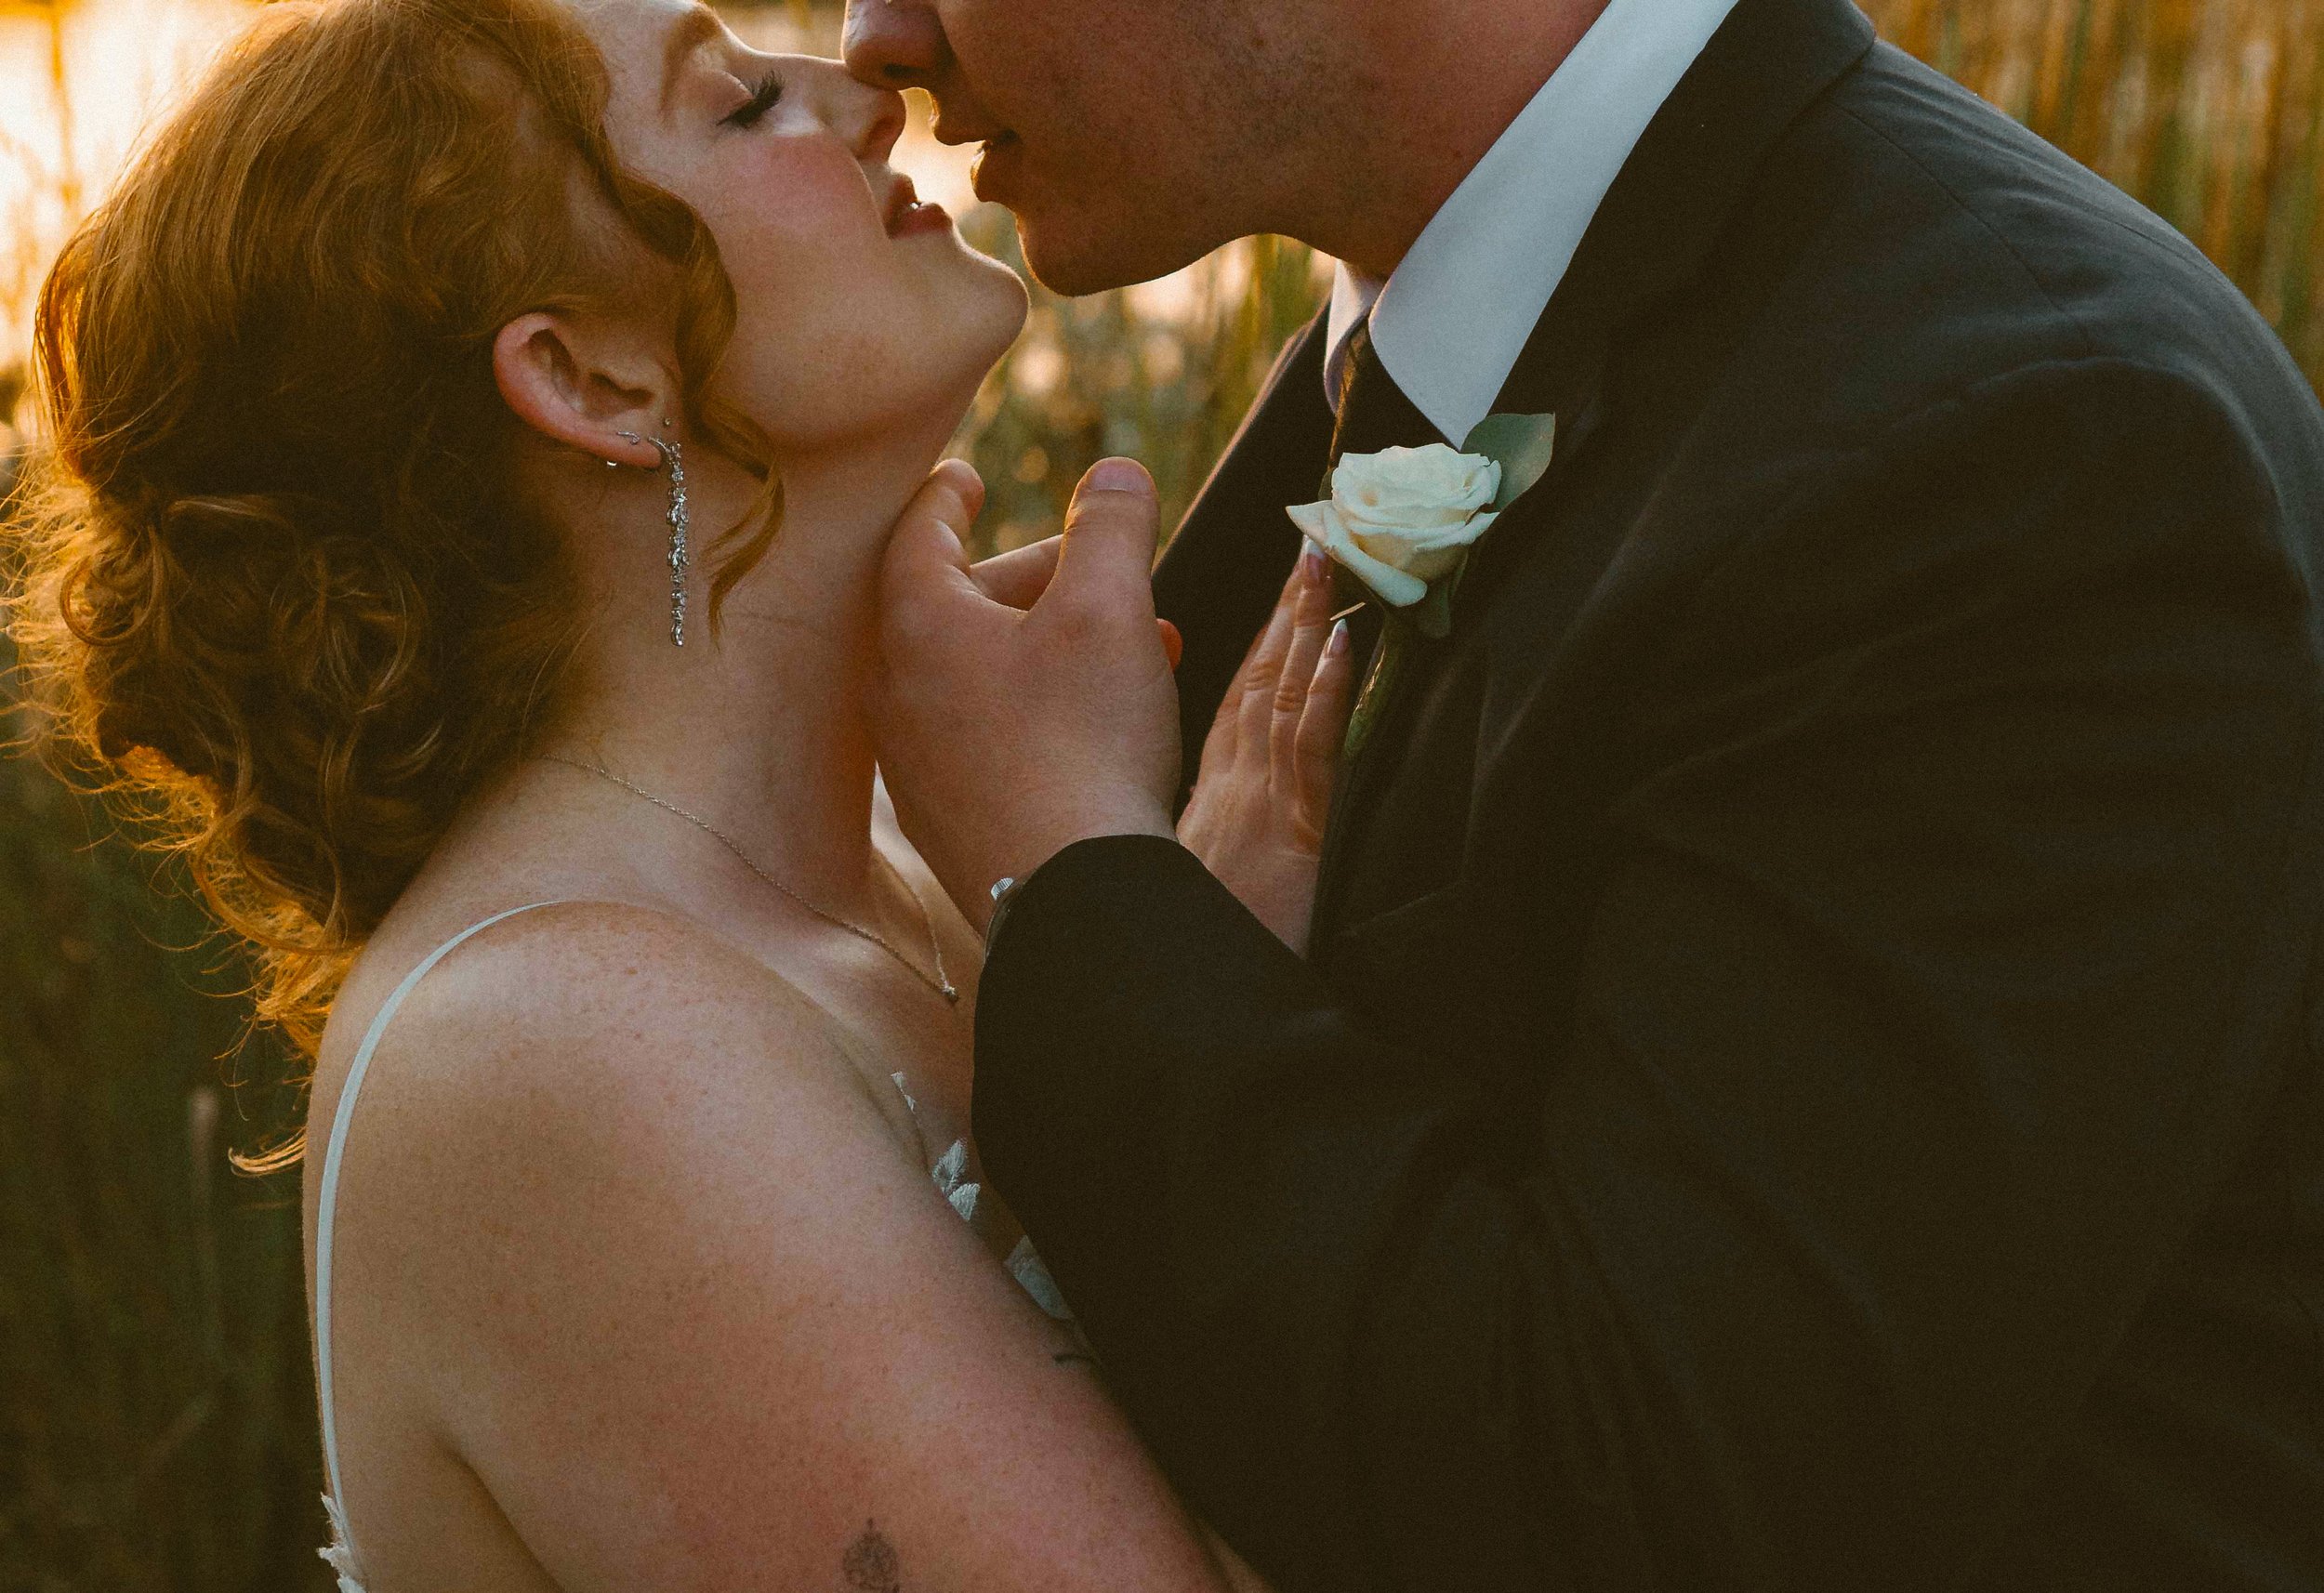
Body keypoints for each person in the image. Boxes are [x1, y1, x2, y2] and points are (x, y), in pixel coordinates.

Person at [850, 0, 2324, 1586]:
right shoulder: (1449, 344)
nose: (879, 34)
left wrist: (1066, 869)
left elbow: (1640, 1503)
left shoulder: (2018, 445)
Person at [8, 0, 1356, 1586]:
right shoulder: (557, 1041)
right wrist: (1170, 942)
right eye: (736, 105)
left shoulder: (909, 871)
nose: (864, 94)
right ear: (588, 379)